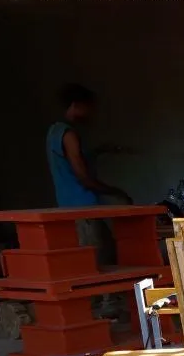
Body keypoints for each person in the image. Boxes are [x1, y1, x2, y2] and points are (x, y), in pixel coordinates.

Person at [45, 84, 128, 263]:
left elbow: (72, 162)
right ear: (76, 106)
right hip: (83, 212)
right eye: (88, 108)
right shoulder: (68, 135)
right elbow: (83, 178)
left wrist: (99, 151)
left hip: (71, 208)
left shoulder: (54, 132)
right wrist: (115, 192)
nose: (91, 113)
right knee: (100, 263)